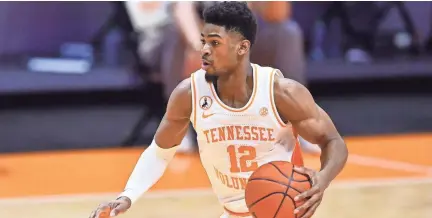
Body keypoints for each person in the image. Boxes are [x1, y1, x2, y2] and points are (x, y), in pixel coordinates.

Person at [89, 2, 348, 218]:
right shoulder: (188, 93)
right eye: (204, 41)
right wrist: (127, 196)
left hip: (281, 210)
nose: (204, 50)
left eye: (214, 43)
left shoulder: (282, 91)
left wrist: (323, 179)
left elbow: (333, 141)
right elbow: (159, 153)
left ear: (242, 47)